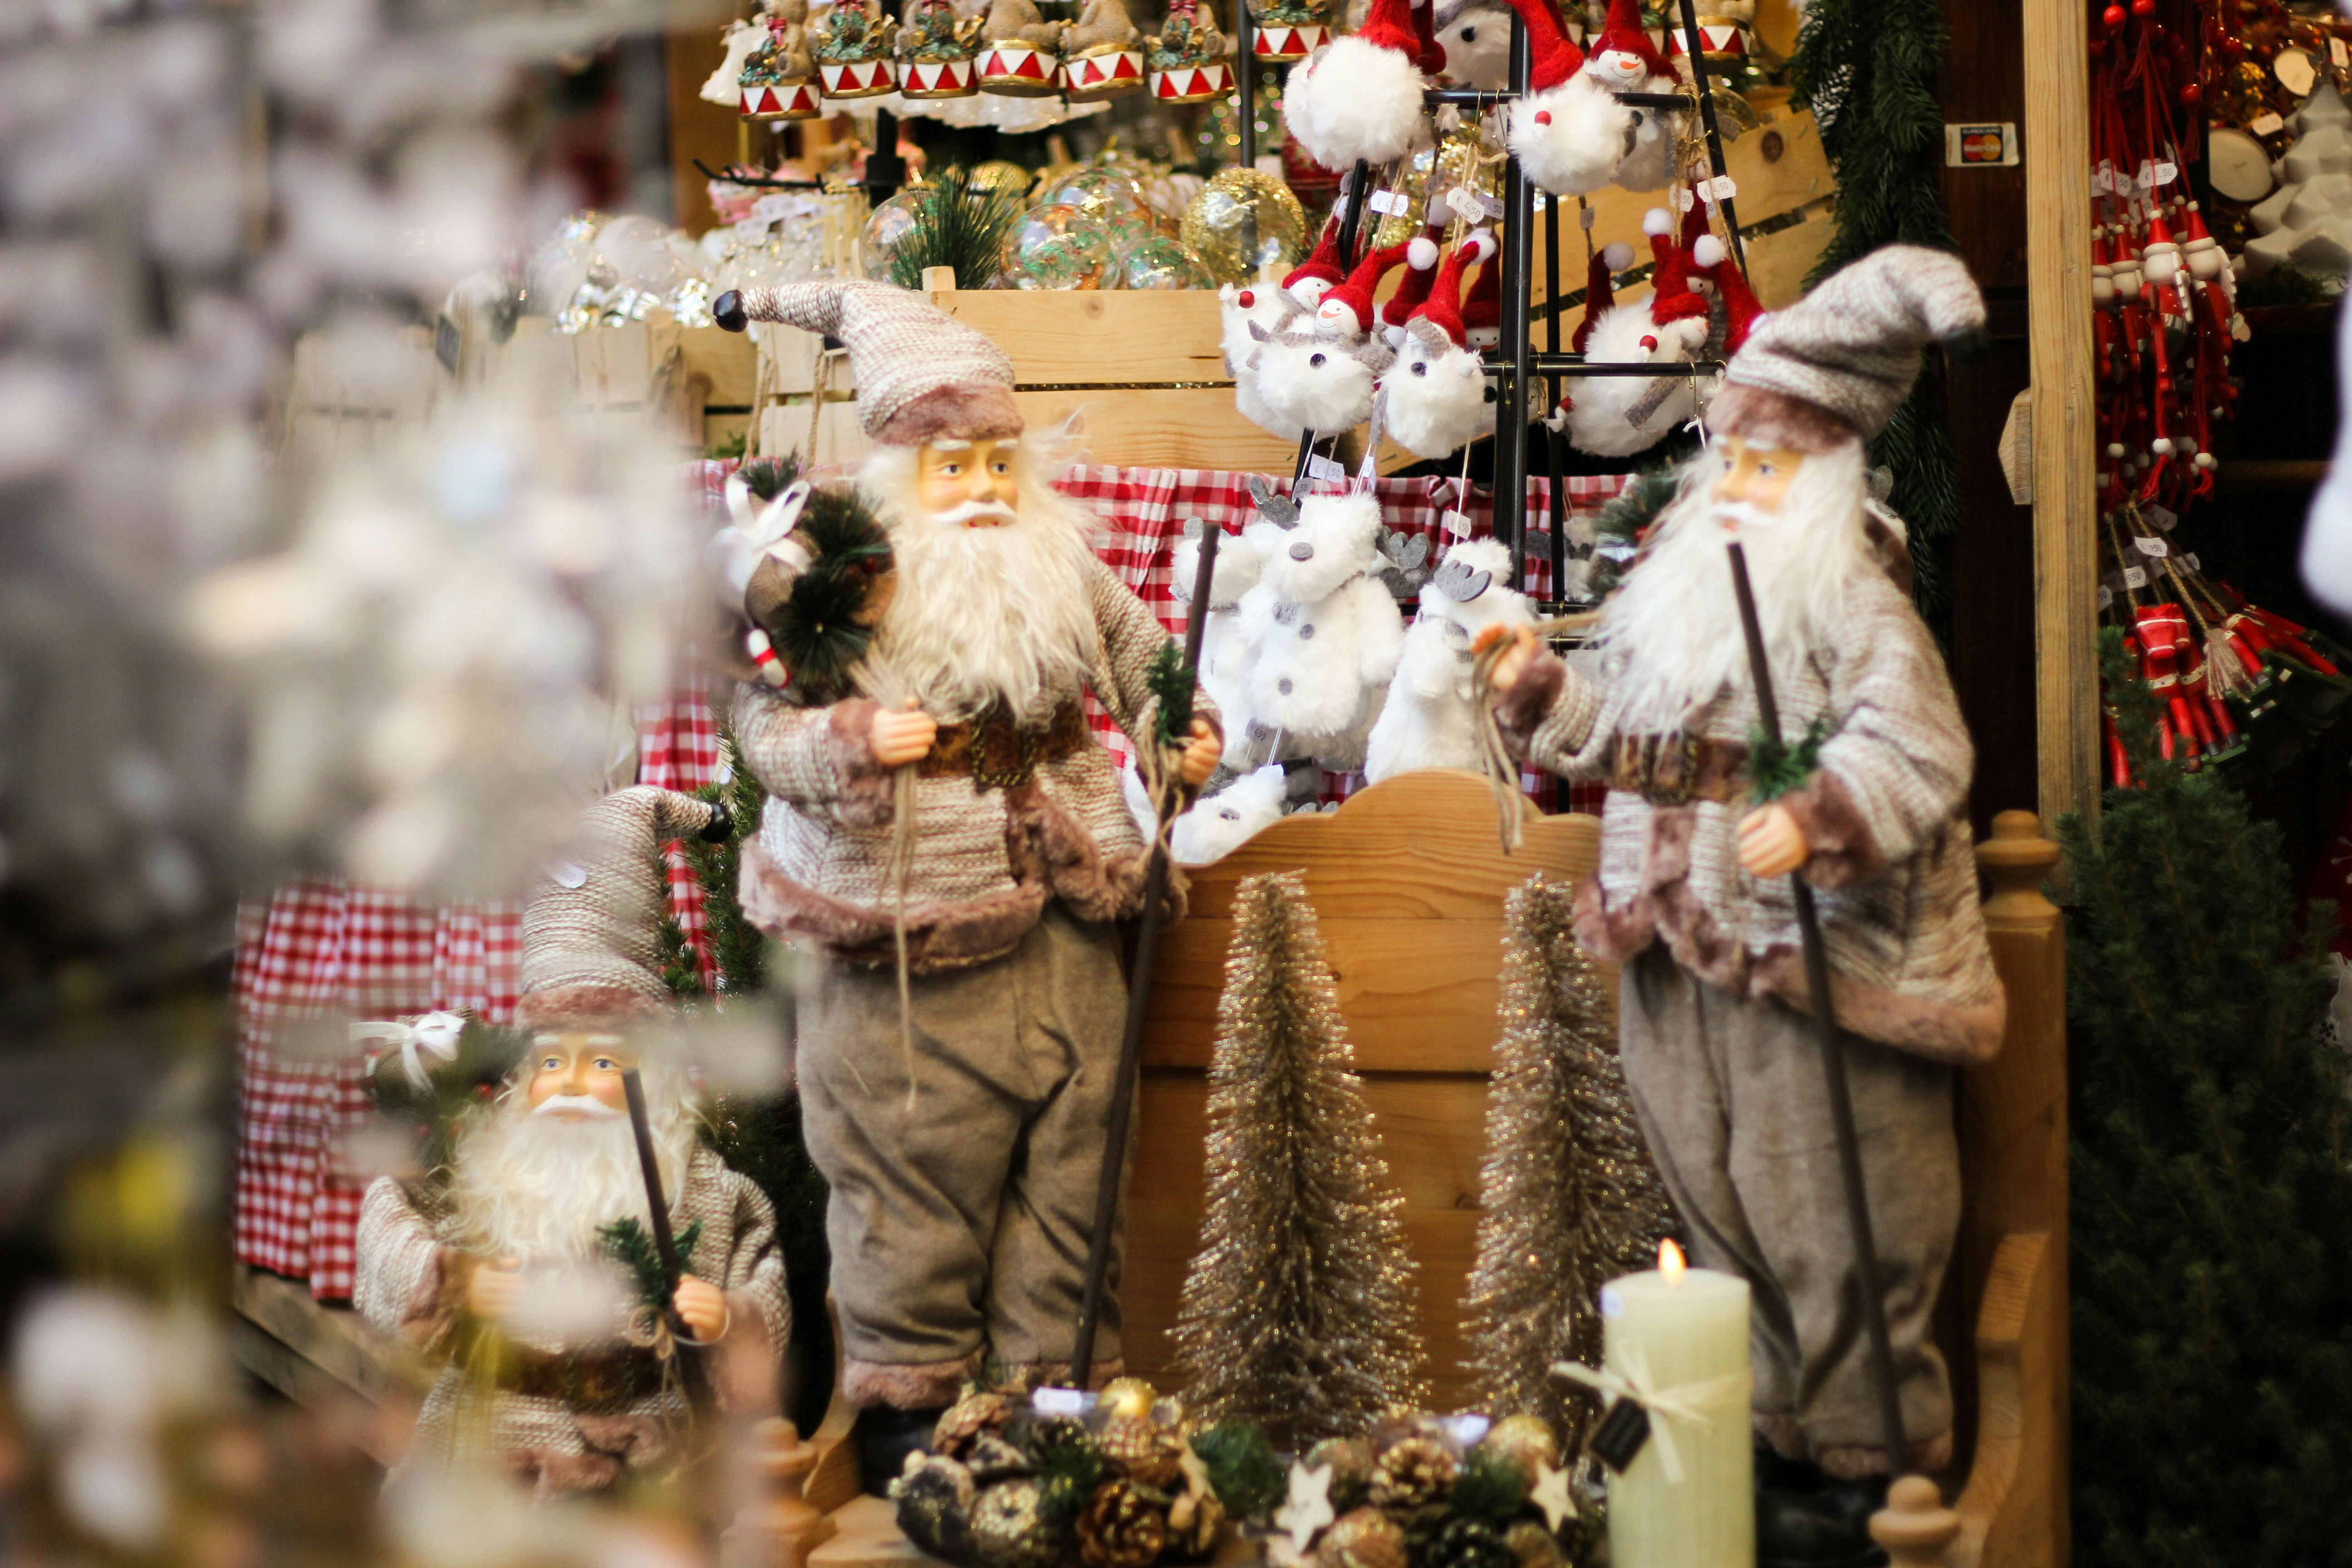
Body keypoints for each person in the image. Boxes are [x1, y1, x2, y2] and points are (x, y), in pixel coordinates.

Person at [1477, 246, 2004, 1568]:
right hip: (1676, 953)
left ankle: (1870, 1458)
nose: (1739, 489)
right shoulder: (1683, 602)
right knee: (1714, 1201)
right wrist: (1551, 697)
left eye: (1768, 468)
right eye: (1733, 463)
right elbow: (1633, 744)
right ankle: (1769, 1439)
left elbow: (1922, 749)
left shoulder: (1850, 603)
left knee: (1835, 1204)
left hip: (1811, 962)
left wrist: (1820, 810)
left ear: (1825, 480)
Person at [711, 280, 1221, 1488]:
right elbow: (761, 725)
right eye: (954, 468)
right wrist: (847, 742)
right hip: (905, 929)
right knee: (906, 1174)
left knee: (1076, 1168)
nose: (986, 489)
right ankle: (910, 1400)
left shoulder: (1059, 558)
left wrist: (1181, 728)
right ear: (896, 475)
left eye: (1000, 461)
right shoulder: (832, 582)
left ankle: (1057, 1394)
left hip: (1067, 911)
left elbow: (1154, 659)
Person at [355, 787, 789, 1501]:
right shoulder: (485, 1174)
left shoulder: (705, 1186)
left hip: (648, 1455)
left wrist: (729, 1316)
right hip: (484, 1441)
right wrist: (445, 1276)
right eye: (552, 1064)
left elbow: (761, 1266)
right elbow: (386, 1217)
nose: (572, 1085)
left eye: (604, 1064)